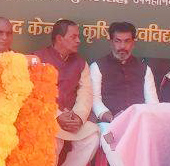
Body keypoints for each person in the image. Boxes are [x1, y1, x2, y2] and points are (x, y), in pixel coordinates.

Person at [90, 21, 158, 165]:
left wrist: (140, 119)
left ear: (133, 43)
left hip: (139, 123)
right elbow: (95, 100)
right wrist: (111, 118)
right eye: (118, 41)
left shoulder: (144, 69)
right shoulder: (97, 66)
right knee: (113, 145)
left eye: (127, 41)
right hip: (110, 124)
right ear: (111, 42)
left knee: (151, 145)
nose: (122, 46)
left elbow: (152, 103)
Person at [34, 19, 99, 166]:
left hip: (71, 118)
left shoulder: (80, 63)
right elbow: (35, 95)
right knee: (51, 138)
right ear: (59, 39)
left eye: (78, 36)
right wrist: (57, 115)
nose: (78, 41)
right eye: (73, 37)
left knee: (93, 135)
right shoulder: (38, 59)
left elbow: (85, 92)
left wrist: (78, 117)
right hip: (47, 118)